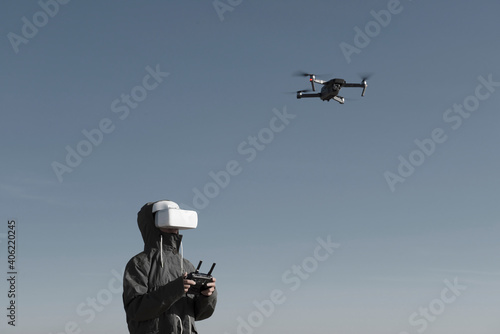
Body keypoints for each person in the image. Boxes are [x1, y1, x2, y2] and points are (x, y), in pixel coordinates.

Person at [123, 201, 217, 334]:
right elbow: (135, 310)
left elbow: (200, 314)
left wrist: (207, 296)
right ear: (152, 223)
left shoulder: (187, 265)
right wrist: (174, 290)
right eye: (167, 224)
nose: (174, 229)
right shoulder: (139, 263)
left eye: (176, 224)